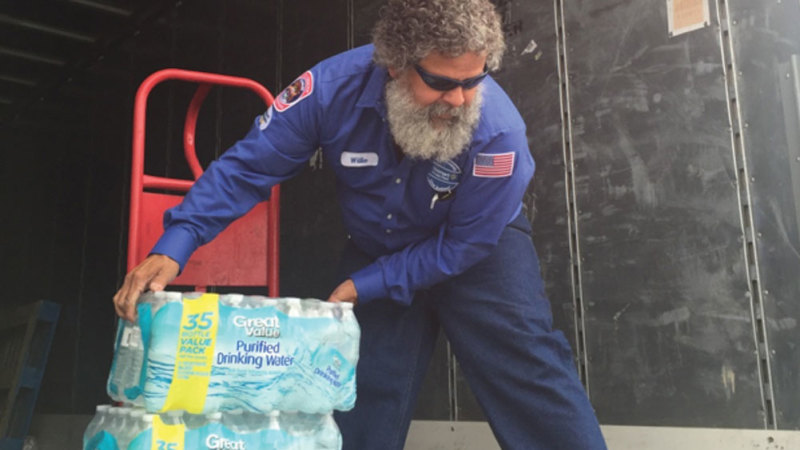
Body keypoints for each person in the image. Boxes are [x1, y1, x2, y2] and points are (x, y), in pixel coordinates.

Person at [113, 0, 607, 448]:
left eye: (472, 81)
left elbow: (463, 244)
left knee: (528, 366)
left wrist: (367, 283)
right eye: (440, 82)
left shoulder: (498, 131)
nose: (458, 99)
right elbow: (248, 168)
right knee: (359, 380)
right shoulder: (329, 90)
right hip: (379, 242)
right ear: (394, 64)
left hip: (477, 249)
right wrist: (174, 245)